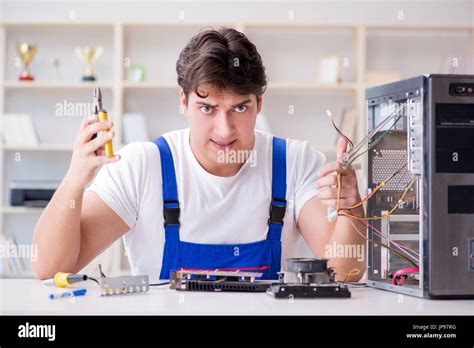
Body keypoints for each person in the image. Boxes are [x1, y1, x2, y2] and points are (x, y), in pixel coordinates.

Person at [32, 28, 365, 283]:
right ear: (183, 102)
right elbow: (49, 267)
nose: (224, 129)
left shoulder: (295, 162)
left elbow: (345, 273)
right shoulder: (141, 166)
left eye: (239, 108)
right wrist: (75, 179)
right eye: (207, 108)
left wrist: (352, 208)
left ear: (259, 104)